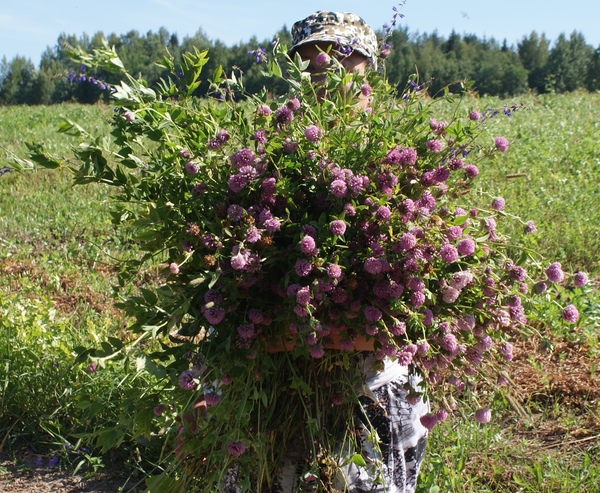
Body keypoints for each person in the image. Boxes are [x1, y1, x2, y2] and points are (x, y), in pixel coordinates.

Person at [262, 11, 430, 493]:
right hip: (285, 363)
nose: (325, 70)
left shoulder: (405, 152)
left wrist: (365, 328)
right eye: (312, 62)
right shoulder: (275, 151)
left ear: (366, 67)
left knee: (375, 481)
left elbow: (423, 273)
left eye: (340, 58)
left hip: (373, 367)